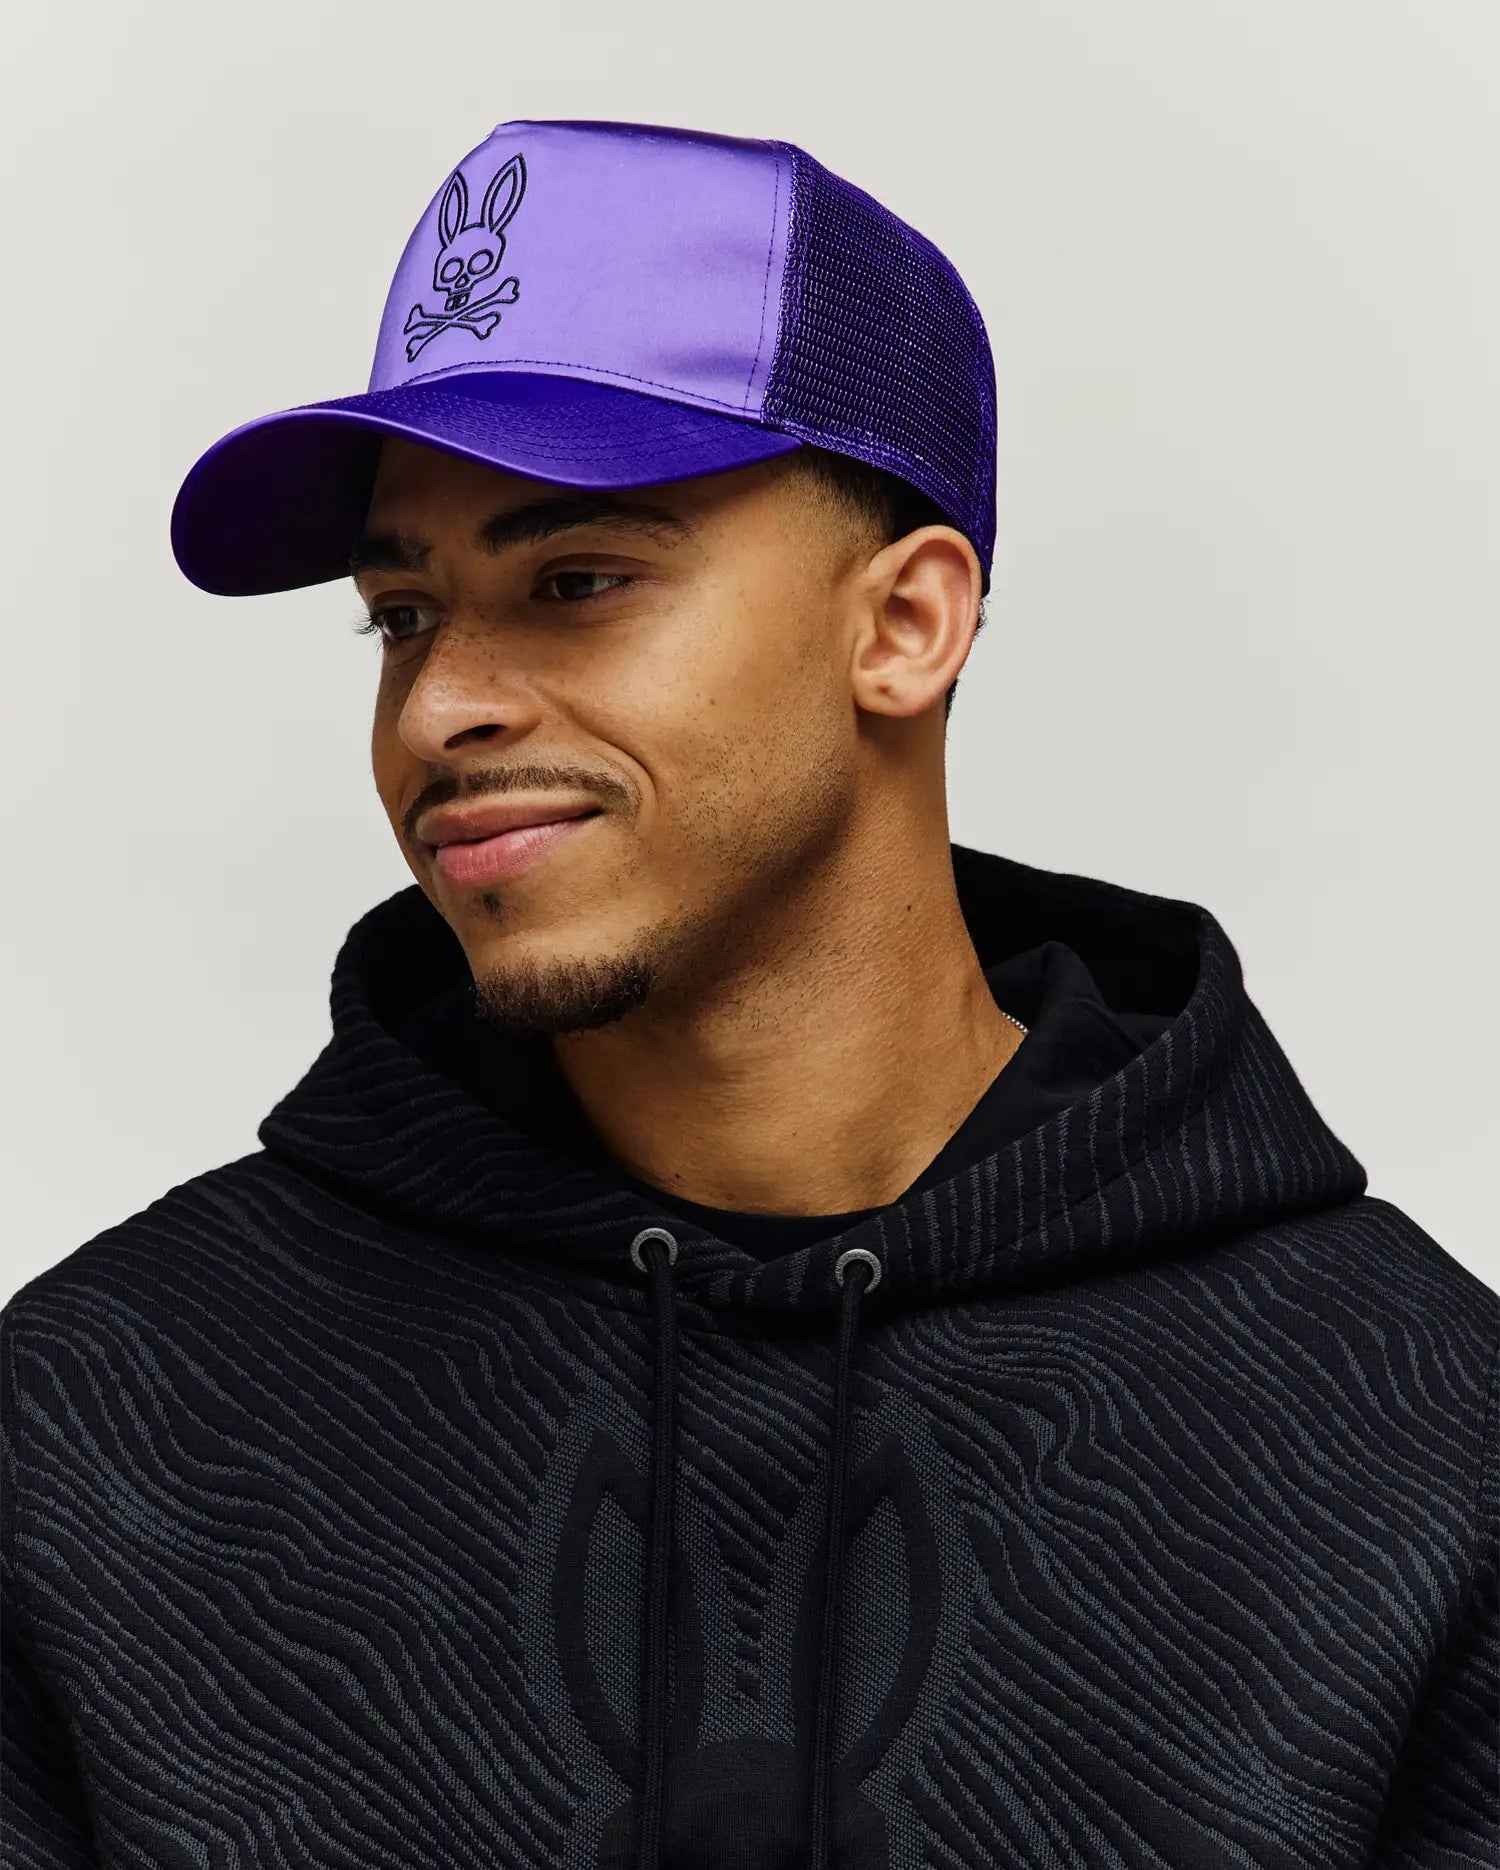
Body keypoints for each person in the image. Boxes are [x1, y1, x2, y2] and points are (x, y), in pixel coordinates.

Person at [2, 116, 1494, 1870]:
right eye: (400, 615)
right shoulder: (105, 1417)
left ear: (907, 624)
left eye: (576, 581)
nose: (440, 707)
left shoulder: (1405, 1425)